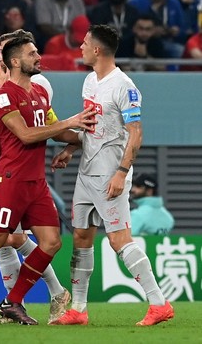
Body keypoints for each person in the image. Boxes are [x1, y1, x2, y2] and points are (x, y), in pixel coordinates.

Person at [0, 34, 96, 326]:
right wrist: (70, 122)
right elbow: (25, 134)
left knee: (51, 242)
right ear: (16, 61)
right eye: (33, 54)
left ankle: (12, 302)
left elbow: (53, 130)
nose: (39, 57)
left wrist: (83, 138)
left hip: (36, 182)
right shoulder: (3, 95)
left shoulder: (40, 93)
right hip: (10, 180)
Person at [50, 24, 174, 326]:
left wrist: (121, 173)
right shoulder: (90, 82)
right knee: (80, 237)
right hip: (86, 173)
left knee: (119, 240)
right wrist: (71, 149)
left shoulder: (125, 86)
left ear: (97, 50)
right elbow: (94, 131)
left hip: (110, 175)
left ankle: (159, 304)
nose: (79, 47)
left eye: (84, 43)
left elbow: (136, 134)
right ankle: (78, 309)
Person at [0, 29, 72, 326]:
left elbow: (35, 124)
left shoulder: (36, 83)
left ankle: (53, 292)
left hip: (20, 171)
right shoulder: (6, 87)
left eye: (6, 51)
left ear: (16, 57)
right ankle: (13, 307)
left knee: (11, 237)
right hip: (1, 162)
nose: (1, 58)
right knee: (4, 241)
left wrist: (4, 86)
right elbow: (7, 124)